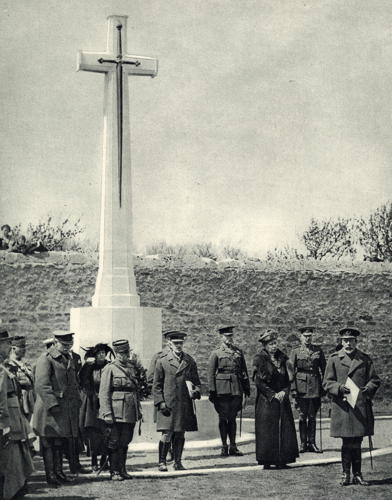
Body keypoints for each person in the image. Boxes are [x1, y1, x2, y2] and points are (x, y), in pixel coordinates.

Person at [323, 327, 381, 486]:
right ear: (341, 342)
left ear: (356, 341)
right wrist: (339, 388)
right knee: (347, 442)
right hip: (343, 407)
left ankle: (358, 474)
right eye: (345, 340)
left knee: (358, 441)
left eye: (351, 340)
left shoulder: (365, 359)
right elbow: (327, 383)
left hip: (360, 406)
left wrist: (369, 388)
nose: (348, 343)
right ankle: (345, 474)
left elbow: (375, 380)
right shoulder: (334, 359)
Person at [33, 330, 82, 487]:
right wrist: (53, 404)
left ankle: (59, 472)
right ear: (55, 342)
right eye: (64, 345)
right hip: (49, 409)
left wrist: (77, 401)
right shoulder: (46, 359)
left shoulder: (68, 358)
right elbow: (42, 385)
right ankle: (51, 476)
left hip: (64, 409)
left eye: (70, 345)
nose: (68, 348)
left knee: (60, 442)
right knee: (49, 443)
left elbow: (73, 384)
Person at [153, 330, 201, 471]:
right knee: (166, 433)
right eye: (175, 343)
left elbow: (196, 381)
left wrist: (196, 391)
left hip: (183, 403)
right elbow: (156, 385)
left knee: (180, 433)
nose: (178, 346)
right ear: (169, 343)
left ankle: (178, 462)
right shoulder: (162, 361)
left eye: (180, 343)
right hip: (167, 404)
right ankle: (162, 462)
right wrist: (161, 402)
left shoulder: (189, 361)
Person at [253, 329, 298, 468]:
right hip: (267, 400)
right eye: (271, 344)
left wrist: (285, 392)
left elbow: (289, 379)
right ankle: (267, 460)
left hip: (282, 398)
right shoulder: (259, 359)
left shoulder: (282, 358)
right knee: (267, 430)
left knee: (284, 428)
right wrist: (272, 395)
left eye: (275, 343)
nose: (274, 346)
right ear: (265, 346)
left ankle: (282, 460)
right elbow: (258, 381)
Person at [98, 339, 142, 481]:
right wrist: (107, 413)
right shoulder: (110, 368)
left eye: (126, 353)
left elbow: (135, 391)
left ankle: (122, 470)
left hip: (129, 411)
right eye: (122, 353)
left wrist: (138, 410)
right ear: (116, 353)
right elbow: (104, 393)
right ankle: (114, 471)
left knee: (125, 441)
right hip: (115, 413)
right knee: (114, 442)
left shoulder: (131, 367)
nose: (125, 356)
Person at [0, 328, 34, 500]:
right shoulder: (1, 368)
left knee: (16, 465)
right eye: (7, 343)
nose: (9, 347)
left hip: (14, 420)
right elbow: (1, 400)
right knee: (10, 467)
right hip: (8, 425)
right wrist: (3, 426)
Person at [207, 325, 250, 456]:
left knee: (232, 418)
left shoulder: (238, 352)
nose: (229, 338)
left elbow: (244, 371)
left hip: (236, 388)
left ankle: (233, 446)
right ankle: (224, 446)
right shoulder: (216, 353)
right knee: (223, 417)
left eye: (231, 336)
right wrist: (212, 391)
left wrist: (246, 388)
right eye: (226, 336)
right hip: (222, 390)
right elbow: (210, 374)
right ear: (221, 337)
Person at [287, 326, 326, 453]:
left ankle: (312, 443)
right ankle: (303, 443)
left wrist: (324, 387)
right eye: (305, 336)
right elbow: (291, 372)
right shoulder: (296, 351)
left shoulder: (318, 350)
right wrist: (293, 389)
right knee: (303, 415)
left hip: (315, 385)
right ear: (301, 337)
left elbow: (324, 370)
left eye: (310, 336)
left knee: (313, 416)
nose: (308, 338)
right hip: (301, 386)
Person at [79, 343, 113, 472]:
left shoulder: (109, 366)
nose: (101, 355)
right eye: (99, 353)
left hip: (106, 402)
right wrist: (87, 365)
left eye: (103, 353)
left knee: (107, 433)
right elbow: (82, 380)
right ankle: (94, 460)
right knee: (93, 434)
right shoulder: (89, 367)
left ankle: (104, 460)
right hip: (92, 404)